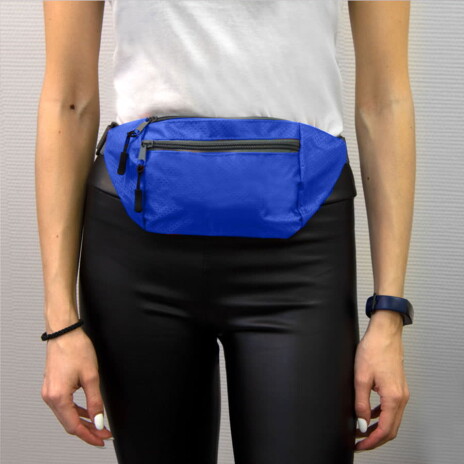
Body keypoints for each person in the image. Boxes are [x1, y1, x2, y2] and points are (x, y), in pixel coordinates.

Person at [37, 1, 415, 463]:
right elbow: (68, 101)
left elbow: (384, 101)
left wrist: (389, 315)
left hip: (300, 261)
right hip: (137, 258)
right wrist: (61, 323)